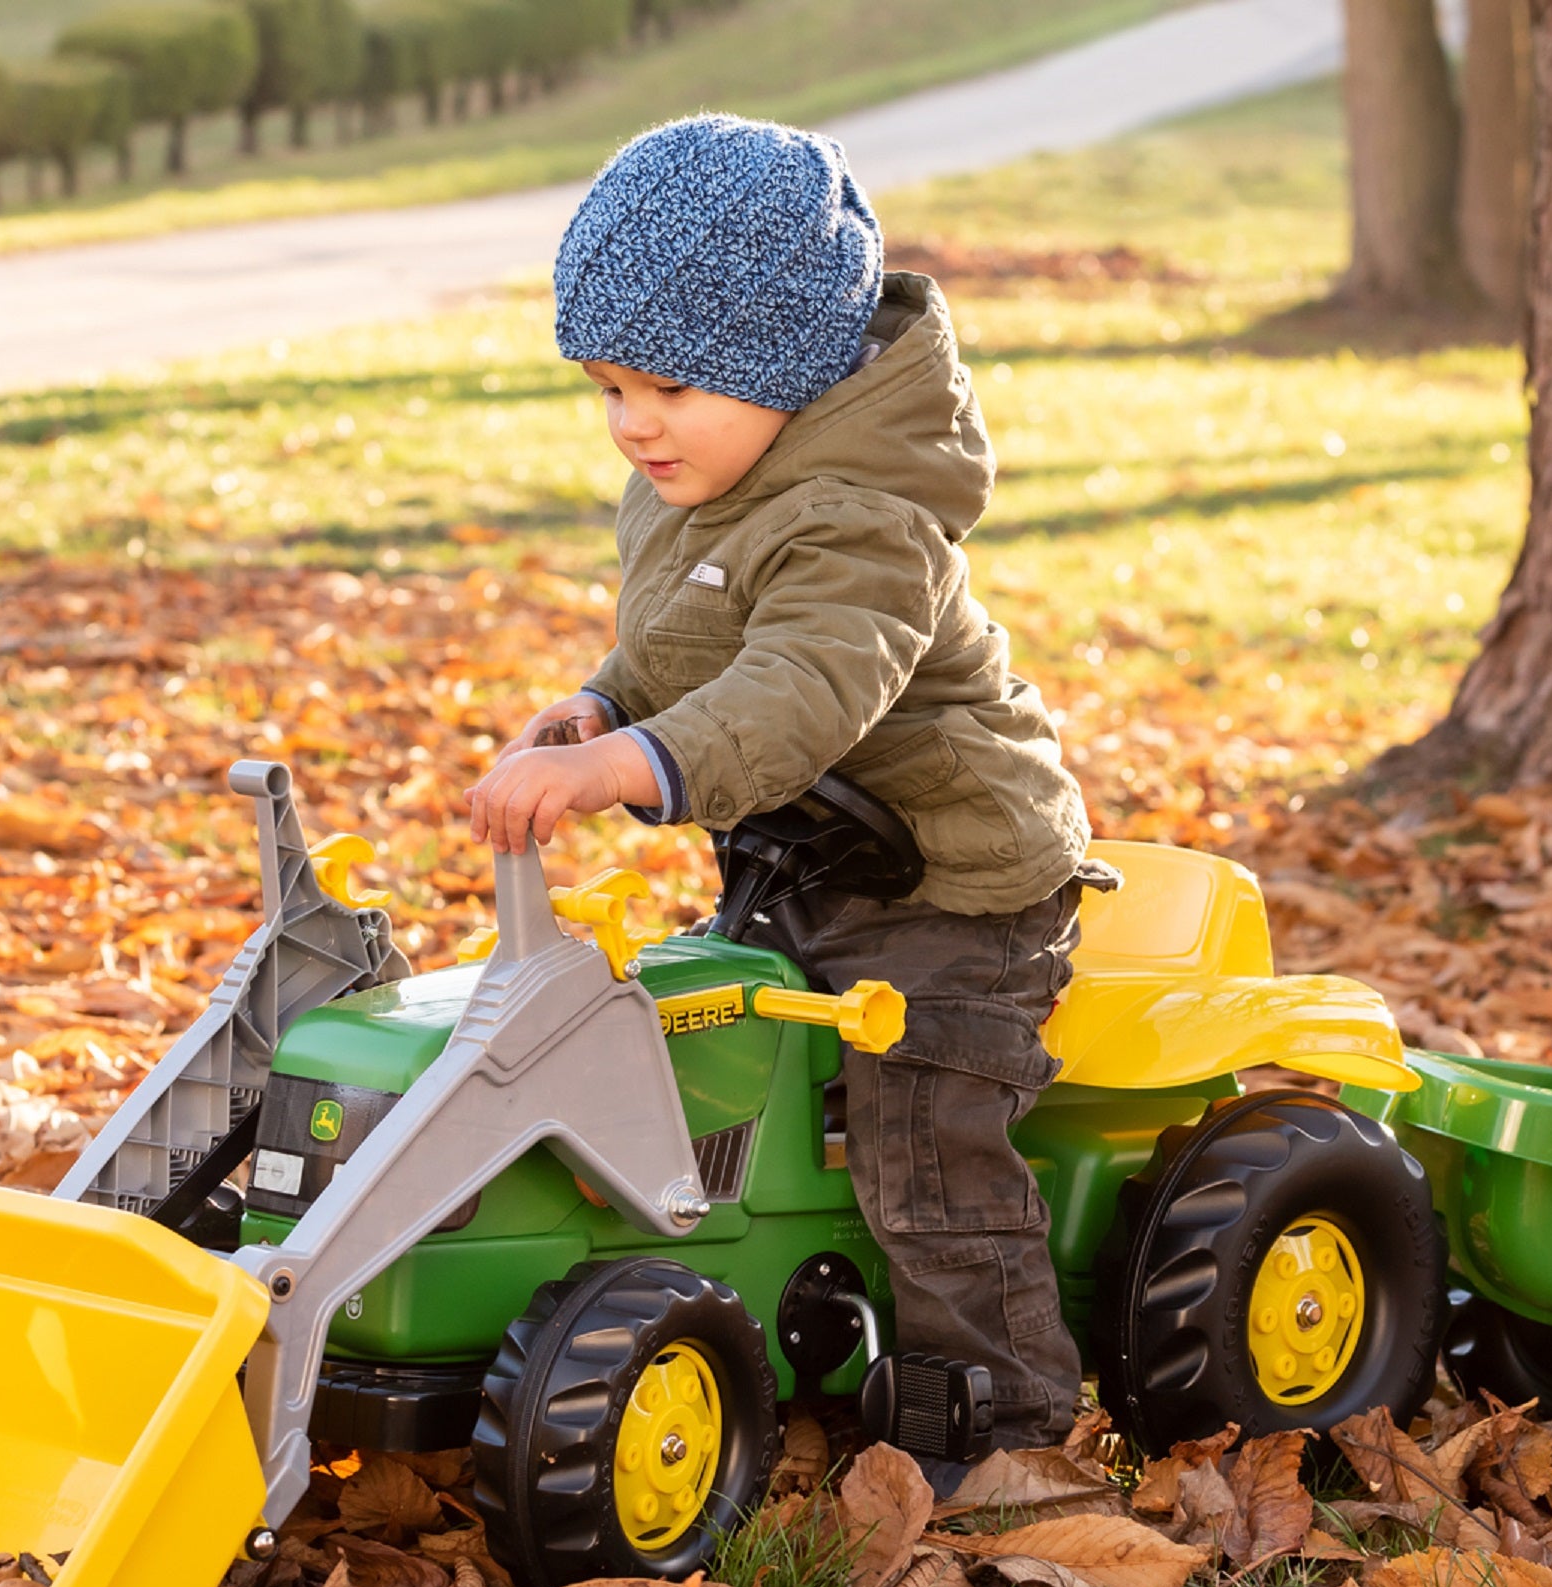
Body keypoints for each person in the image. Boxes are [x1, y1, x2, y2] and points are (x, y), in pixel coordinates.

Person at [464, 113, 1102, 1478]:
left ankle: (995, 1432)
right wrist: (603, 705)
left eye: (667, 389)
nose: (632, 424)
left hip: (952, 892)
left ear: (784, 369)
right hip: (802, 868)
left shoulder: (862, 520)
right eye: (605, 389)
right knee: (703, 1075)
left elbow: (799, 690)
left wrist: (613, 770)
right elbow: (686, 649)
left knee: (924, 1148)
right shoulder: (709, 475)